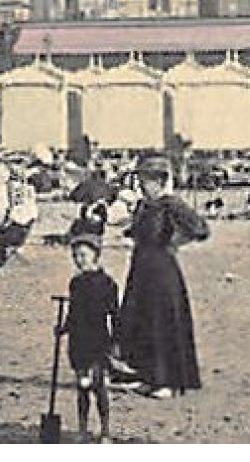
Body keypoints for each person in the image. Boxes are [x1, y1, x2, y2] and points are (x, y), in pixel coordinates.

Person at [116, 155, 208, 398]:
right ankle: (148, 376)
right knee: (142, 321)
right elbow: (134, 231)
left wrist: (175, 242)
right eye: (140, 180)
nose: (142, 185)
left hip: (162, 271)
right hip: (141, 268)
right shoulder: (143, 206)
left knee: (162, 323)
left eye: (146, 180)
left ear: (159, 181)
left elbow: (200, 228)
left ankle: (168, 381)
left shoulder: (171, 204)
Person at [60, 233, 120, 443]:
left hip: (98, 341)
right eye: (75, 256)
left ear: (95, 256)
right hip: (78, 341)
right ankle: (83, 429)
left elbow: (115, 314)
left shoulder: (107, 284)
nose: (79, 260)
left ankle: (105, 431)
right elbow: (73, 311)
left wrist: (115, 342)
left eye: (83, 255)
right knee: (82, 386)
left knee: (98, 385)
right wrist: (63, 328)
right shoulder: (75, 282)